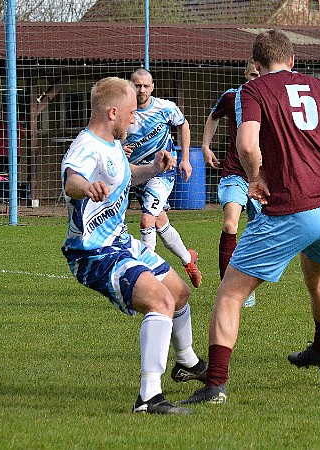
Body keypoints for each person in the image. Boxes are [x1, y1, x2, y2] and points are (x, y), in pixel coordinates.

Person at [181, 29, 320, 405]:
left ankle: (214, 384)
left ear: (257, 66)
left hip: (293, 208)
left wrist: (254, 178)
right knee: (319, 277)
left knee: (230, 294)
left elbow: (246, 145)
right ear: (292, 61)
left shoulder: (253, 91)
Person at [60, 76, 207, 415]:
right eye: (129, 113)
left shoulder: (112, 143)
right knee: (161, 301)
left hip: (121, 242)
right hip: (93, 252)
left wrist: (153, 168)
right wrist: (86, 188)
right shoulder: (87, 147)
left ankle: (186, 361)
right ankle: (149, 397)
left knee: (179, 292)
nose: (133, 119)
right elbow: (72, 180)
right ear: (112, 112)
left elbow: (125, 175)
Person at [124, 68, 202, 288]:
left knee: (146, 219)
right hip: (137, 174)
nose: (141, 90)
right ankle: (188, 259)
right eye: (137, 85)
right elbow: (110, 138)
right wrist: (120, 149)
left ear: (152, 87)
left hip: (163, 172)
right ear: (131, 86)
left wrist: (185, 159)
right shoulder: (123, 112)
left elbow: (183, 125)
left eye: (145, 86)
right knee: (159, 221)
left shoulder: (165, 108)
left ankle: (147, 276)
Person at [201, 60, 261, 301]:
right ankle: (228, 291)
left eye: (260, 74)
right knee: (230, 225)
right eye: (252, 74)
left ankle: (246, 287)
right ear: (245, 75)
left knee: (257, 234)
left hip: (263, 178)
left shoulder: (274, 99)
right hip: (235, 174)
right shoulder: (232, 97)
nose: (256, 79)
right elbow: (213, 116)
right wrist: (205, 146)